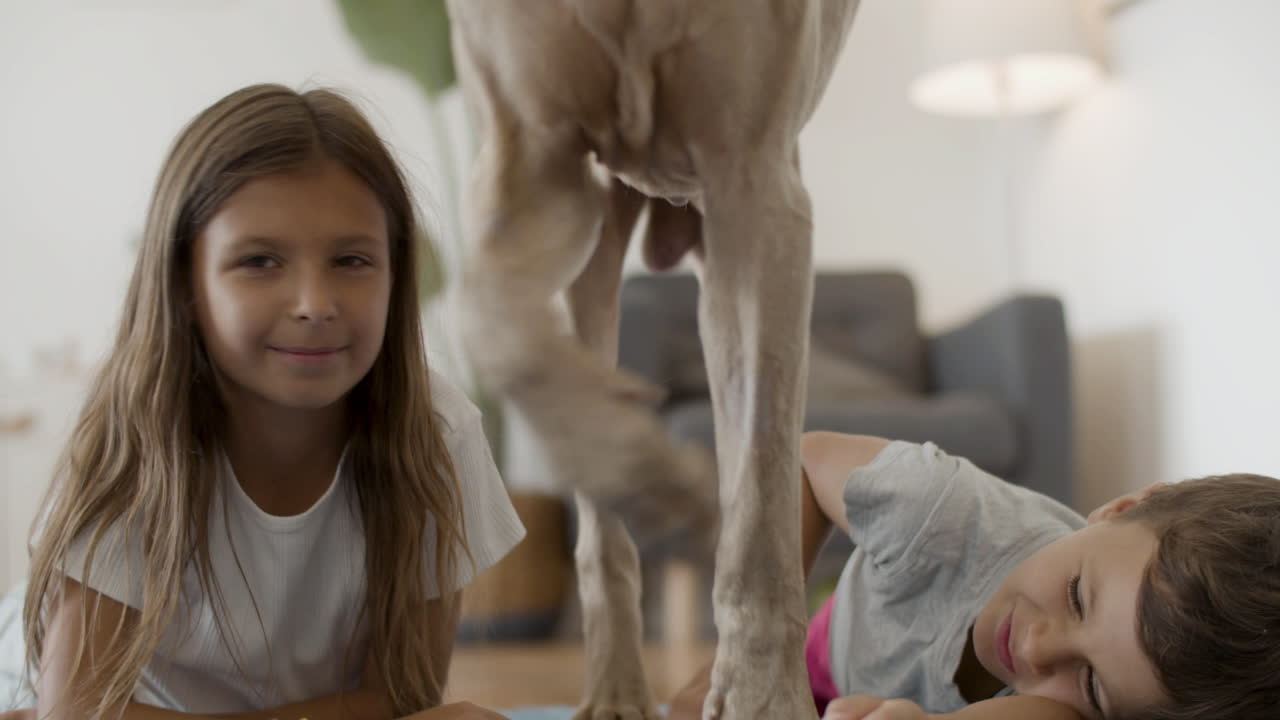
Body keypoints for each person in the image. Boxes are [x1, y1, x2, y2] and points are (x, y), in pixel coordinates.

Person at [9, 84, 525, 720]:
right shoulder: (133, 437)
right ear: (186, 284)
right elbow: (76, 713)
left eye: (352, 260)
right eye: (259, 261)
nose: (314, 302)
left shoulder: (439, 433)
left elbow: (404, 699)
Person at [669, 432, 1280, 720]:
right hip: (826, 649)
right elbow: (797, 459)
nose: (1037, 650)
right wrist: (745, 652)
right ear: (1122, 507)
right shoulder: (939, 510)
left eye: (1092, 683)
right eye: (1076, 596)